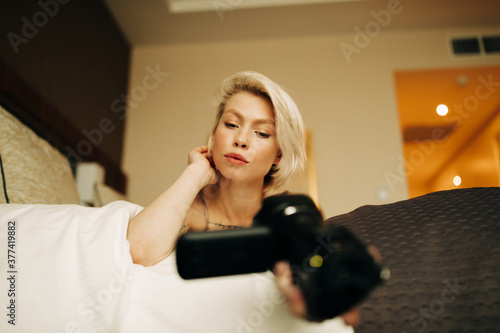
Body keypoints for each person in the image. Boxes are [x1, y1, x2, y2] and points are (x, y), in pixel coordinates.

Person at [126, 71, 360, 327]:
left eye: (261, 133)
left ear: (278, 154)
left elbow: (333, 301)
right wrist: (194, 173)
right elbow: (137, 251)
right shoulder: (190, 208)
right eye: (231, 124)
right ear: (214, 136)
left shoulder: (292, 213)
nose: (241, 140)